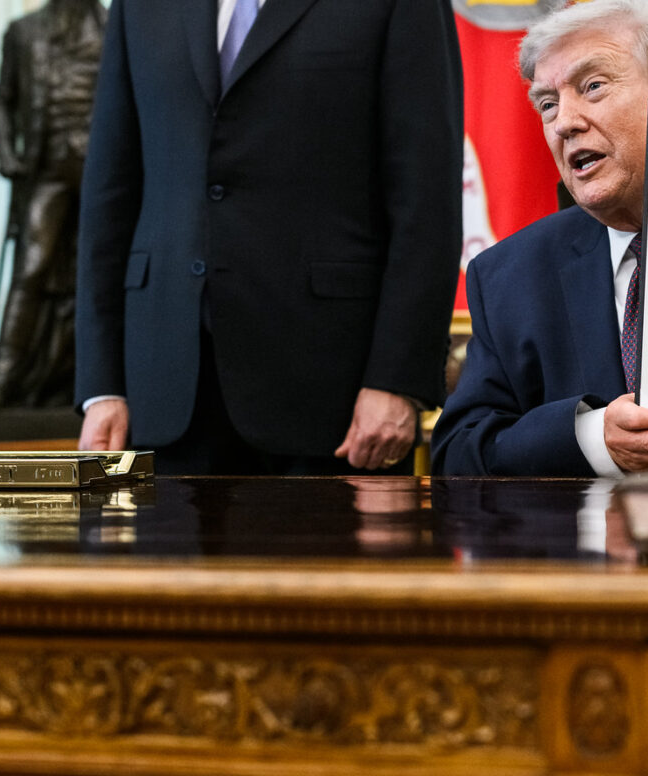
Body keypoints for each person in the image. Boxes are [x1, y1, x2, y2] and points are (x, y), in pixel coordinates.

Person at [75, 0, 463, 475]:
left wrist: (398, 380)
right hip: (162, 391)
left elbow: (426, 203)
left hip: (334, 401)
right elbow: (108, 196)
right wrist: (102, 385)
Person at [431, 0, 648, 477]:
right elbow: (459, 452)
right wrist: (590, 436)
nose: (564, 122)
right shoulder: (509, 274)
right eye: (547, 103)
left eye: (593, 87)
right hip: (595, 542)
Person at [0, 0, 106, 410]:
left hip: (101, 171)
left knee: (104, 270)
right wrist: (6, 154)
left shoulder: (113, 26)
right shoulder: (23, 31)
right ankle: (3, 380)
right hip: (46, 168)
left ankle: (103, 383)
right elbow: (2, 100)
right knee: (31, 270)